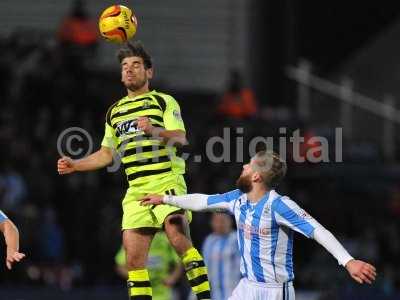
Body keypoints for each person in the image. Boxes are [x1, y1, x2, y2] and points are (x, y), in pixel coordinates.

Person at [57, 41, 210, 300]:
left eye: (136, 65)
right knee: (134, 261)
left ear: (149, 72)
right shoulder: (114, 113)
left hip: (166, 180)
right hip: (136, 191)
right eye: (125, 66)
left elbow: (181, 138)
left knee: (177, 236)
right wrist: (76, 165)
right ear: (120, 75)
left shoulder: (163, 101)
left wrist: (153, 130)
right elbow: (107, 154)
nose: (129, 70)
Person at [140, 151, 377, 300]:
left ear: (256, 177)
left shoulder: (279, 206)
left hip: (275, 291)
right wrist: (166, 199)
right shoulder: (237, 198)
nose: (243, 166)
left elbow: (318, 231)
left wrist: (348, 261)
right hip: (246, 287)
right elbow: (203, 201)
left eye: (248, 165)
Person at [115, 231, 183, 300]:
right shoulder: (132, 240)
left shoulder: (166, 239)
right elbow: (120, 267)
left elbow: (179, 262)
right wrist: (138, 278)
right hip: (140, 291)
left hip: (162, 292)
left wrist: (172, 278)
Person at [202, 213, 240, 300]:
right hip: (215, 295)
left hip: (235, 293)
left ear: (230, 221)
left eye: (222, 221)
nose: (219, 224)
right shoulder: (209, 240)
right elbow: (205, 268)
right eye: (216, 221)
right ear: (211, 223)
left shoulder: (237, 239)